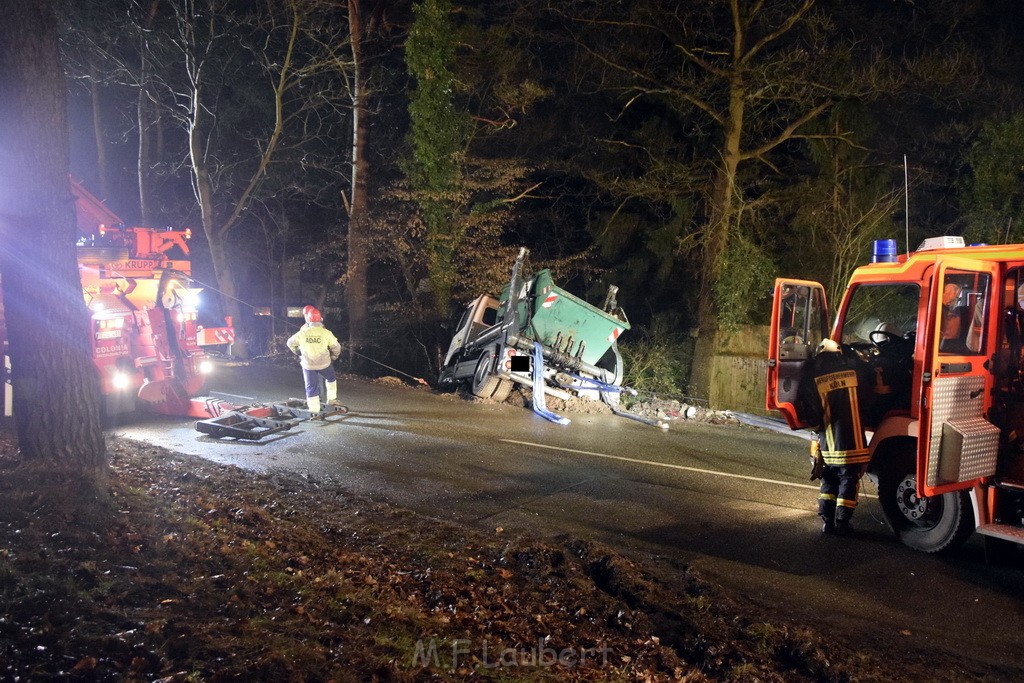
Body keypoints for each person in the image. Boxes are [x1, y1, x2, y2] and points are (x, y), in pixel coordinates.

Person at [798, 338, 874, 535]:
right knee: (848, 479)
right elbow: (868, 398)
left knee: (828, 479)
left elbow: (812, 412)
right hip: (853, 440)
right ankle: (842, 521)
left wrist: (816, 429)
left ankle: (827, 521)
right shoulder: (855, 372)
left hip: (828, 442)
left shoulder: (815, 375)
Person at [286, 306, 344, 414]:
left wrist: (297, 352)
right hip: (324, 364)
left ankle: (313, 410)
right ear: (320, 319)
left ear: (308, 319)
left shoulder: (303, 332)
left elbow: (290, 343)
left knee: (311, 387)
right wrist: (334, 357)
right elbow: (336, 347)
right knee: (331, 379)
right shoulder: (326, 332)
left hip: (308, 365)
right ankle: (331, 399)